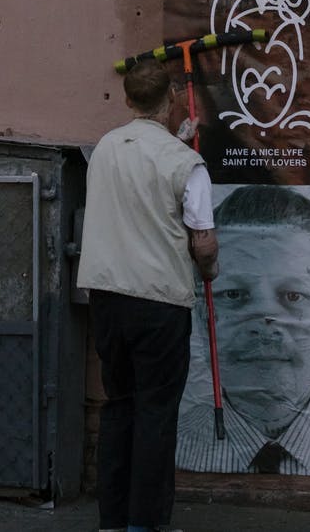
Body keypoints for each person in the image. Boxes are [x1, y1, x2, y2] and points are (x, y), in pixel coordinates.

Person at [77, 60, 219, 532]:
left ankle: (113, 521)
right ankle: (147, 523)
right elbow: (203, 241)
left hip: (108, 296)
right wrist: (210, 271)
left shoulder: (105, 149)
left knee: (120, 406)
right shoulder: (186, 163)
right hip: (159, 301)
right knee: (156, 413)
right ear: (175, 94)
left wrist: (175, 138)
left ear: (127, 100)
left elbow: (140, 174)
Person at [175, 185, 310, 477]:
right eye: (233, 295)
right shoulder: (175, 449)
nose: (265, 324)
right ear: (203, 315)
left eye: (293, 296)